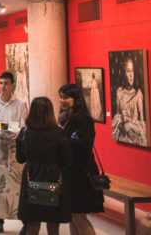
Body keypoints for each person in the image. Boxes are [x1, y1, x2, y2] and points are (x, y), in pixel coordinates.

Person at [16, 97, 72, 235]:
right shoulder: (59, 133)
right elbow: (67, 160)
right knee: (53, 224)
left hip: (32, 176)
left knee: (33, 223)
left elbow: (20, 158)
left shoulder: (25, 133)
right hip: (53, 177)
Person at [0, 71, 29, 235]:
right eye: (0, 83)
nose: (2, 86)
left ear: (12, 85)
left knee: (18, 186)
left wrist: (5, 128)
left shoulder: (21, 104)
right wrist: (0, 129)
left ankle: (25, 220)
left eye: (6, 83)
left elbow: (22, 127)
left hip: (16, 150)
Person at [59, 83, 104, 235]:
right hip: (70, 171)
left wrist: (64, 138)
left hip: (81, 172)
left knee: (79, 215)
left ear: (75, 99)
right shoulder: (66, 117)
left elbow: (86, 144)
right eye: (61, 97)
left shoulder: (83, 118)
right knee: (72, 215)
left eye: (66, 97)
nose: (62, 100)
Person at [111, 57, 147, 146]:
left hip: (135, 138)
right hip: (122, 137)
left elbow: (143, 126)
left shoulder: (138, 94)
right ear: (123, 73)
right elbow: (117, 117)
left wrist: (130, 125)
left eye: (132, 71)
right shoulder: (119, 93)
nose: (131, 75)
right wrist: (122, 127)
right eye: (128, 71)